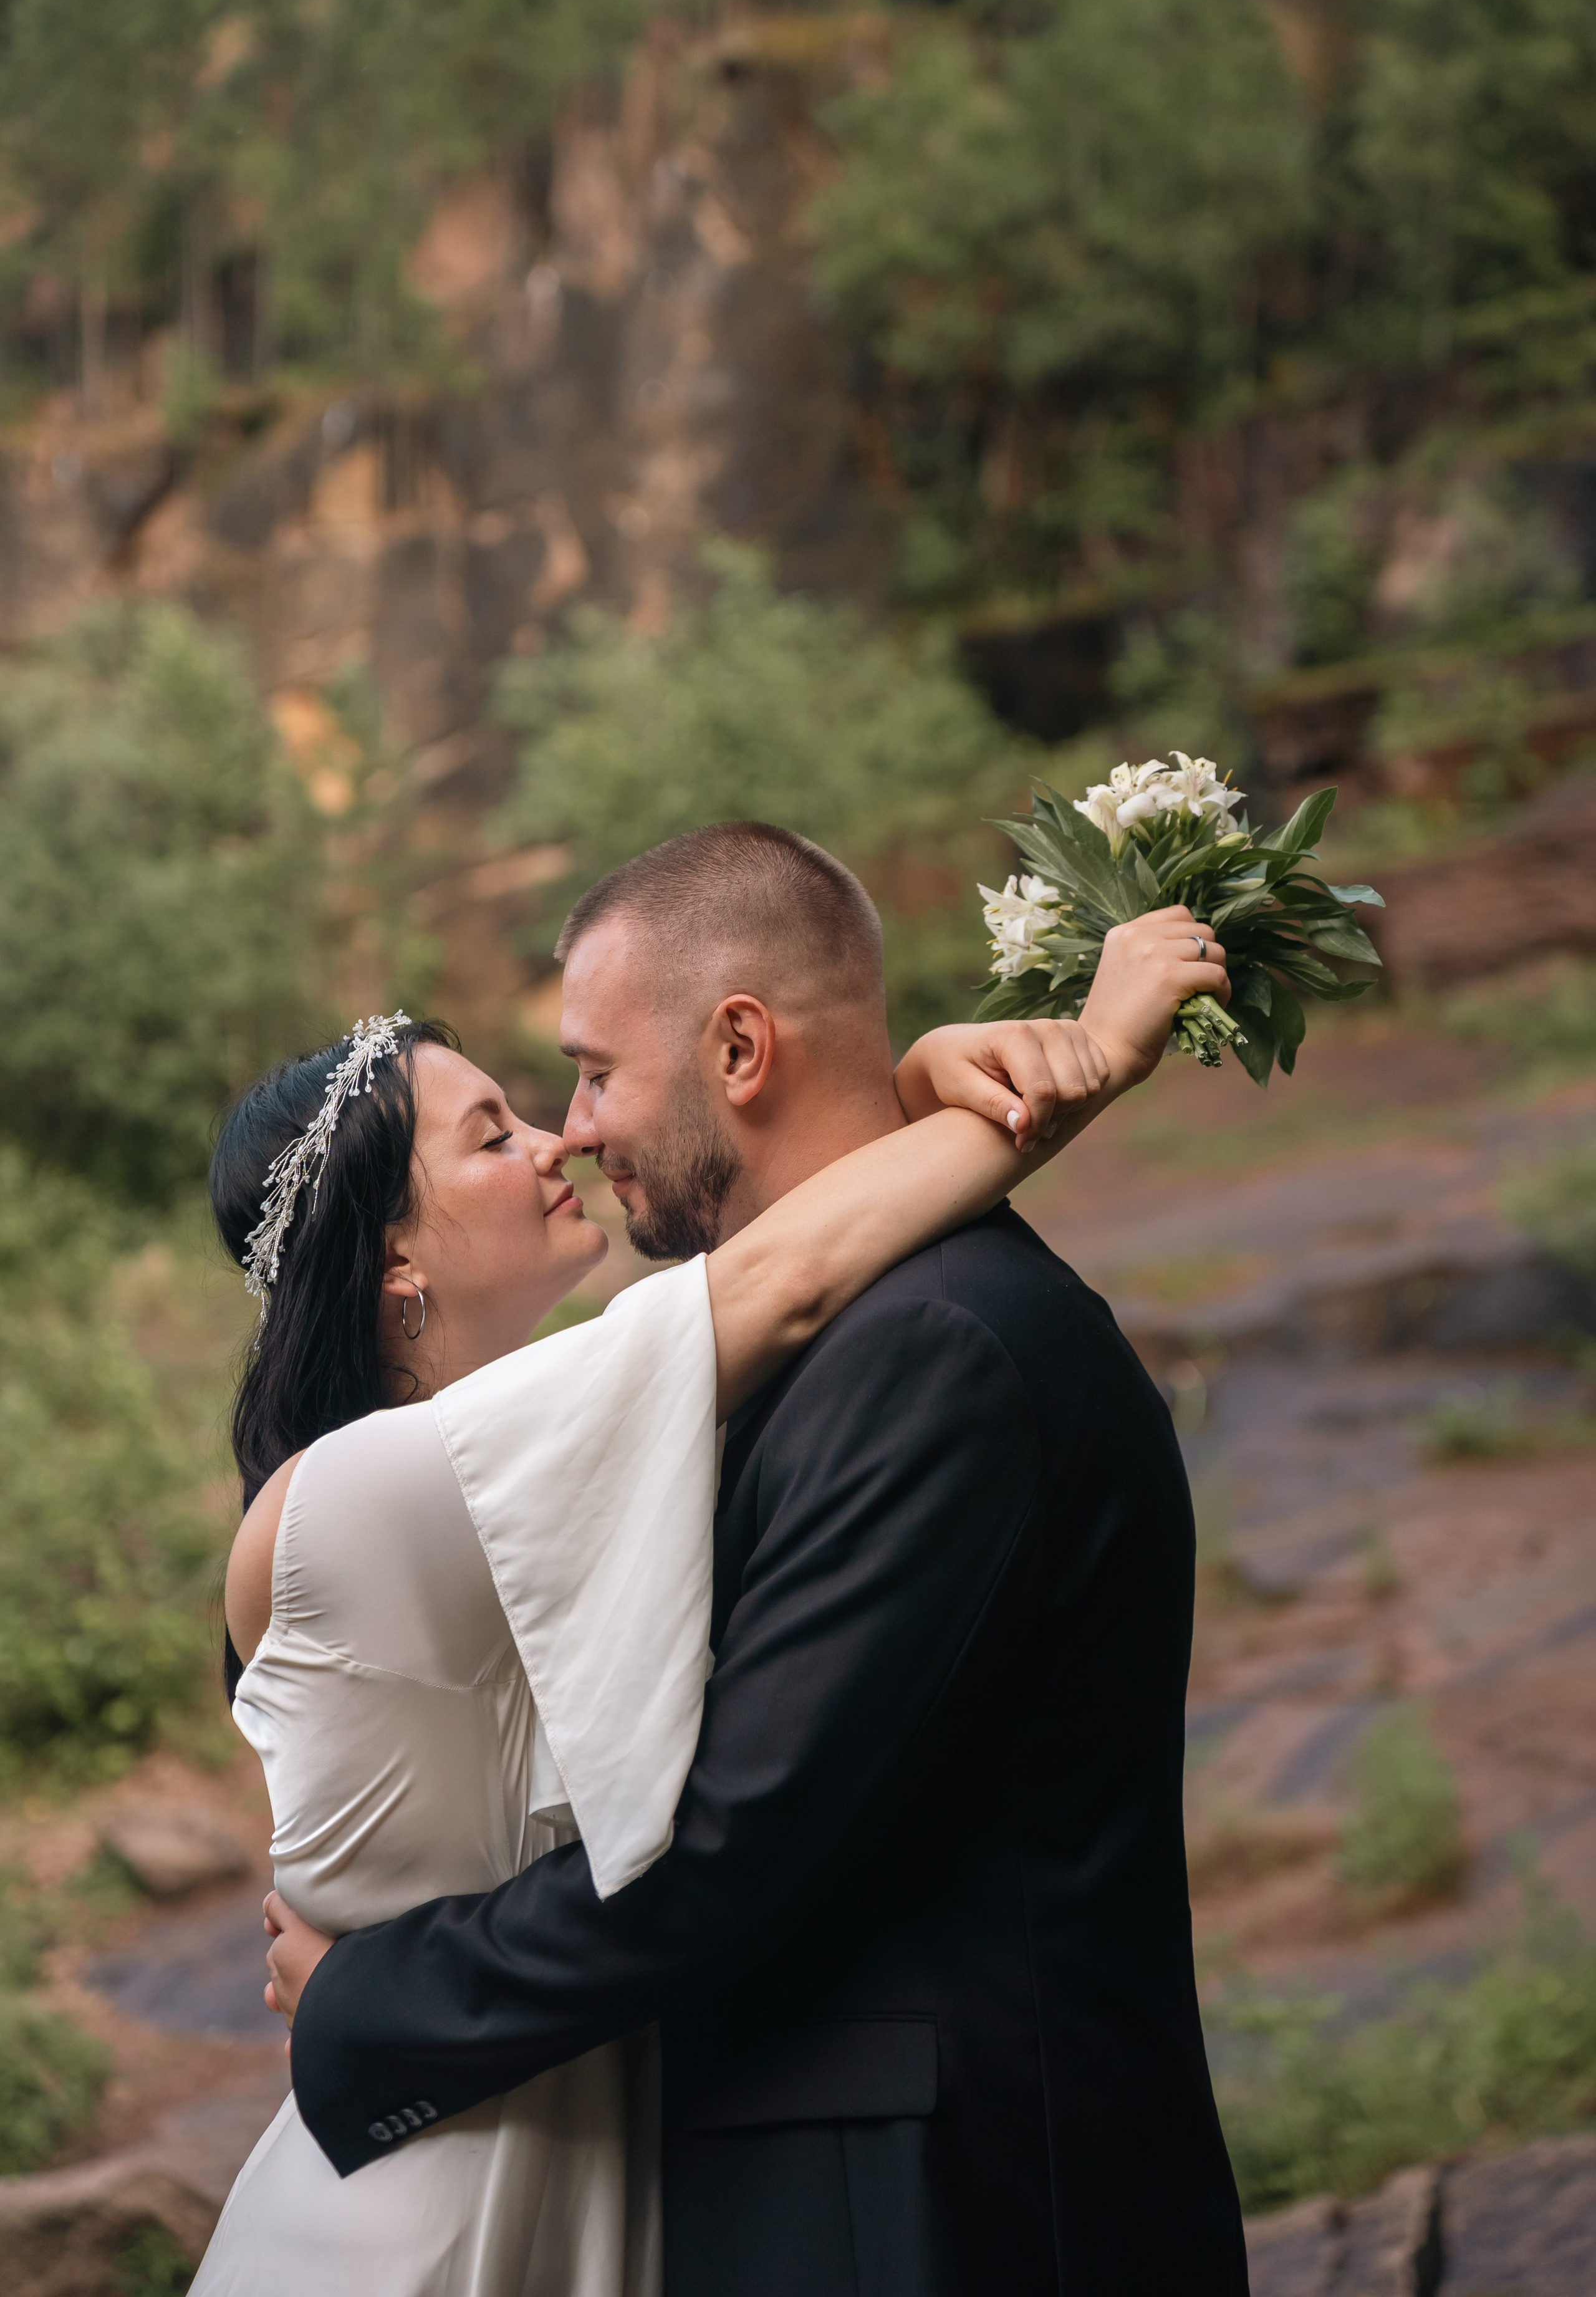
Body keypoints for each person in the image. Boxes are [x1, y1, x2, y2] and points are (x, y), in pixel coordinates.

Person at [252, 823, 1247, 2297]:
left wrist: (364, 2001)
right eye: (507, 1125)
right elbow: (776, 1282)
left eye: (592, 1074)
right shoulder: (420, 1477)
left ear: (736, 1049)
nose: (571, 1131)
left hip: (935, 2217)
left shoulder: (928, 1350)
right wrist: (960, 1093)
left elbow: (731, 1839)